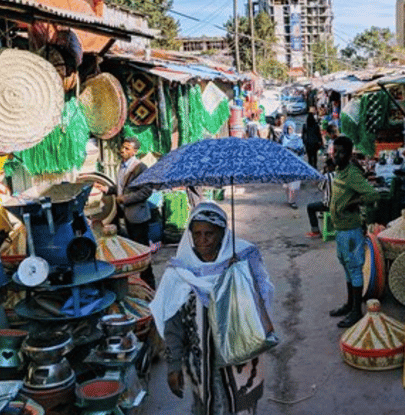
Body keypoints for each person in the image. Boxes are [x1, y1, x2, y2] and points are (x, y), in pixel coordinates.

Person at [150, 202, 274, 415]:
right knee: (207, 406)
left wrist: (239, 276)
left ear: (223, 234)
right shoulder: (179, 273)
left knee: (241, 406)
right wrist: (174, 366)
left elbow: (259, 306)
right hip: (201, 363)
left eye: (210, 233)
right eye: (197, 234)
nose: (203, 240)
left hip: (242, 358)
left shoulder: (242, 260)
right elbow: (173, 324)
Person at [329, 136, 380, 328]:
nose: (337, 156)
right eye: (335, 151)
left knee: (354, 268)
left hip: (351, 231)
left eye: (342, 152)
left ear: (349, 154)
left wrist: (353, 203)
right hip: (341, 230)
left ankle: (357, 312)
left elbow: (372, 194)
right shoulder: (339, 171)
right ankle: (350, 305)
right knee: (346, 266)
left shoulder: (351, 174)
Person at [96, 137, 156, 288]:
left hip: (138, 217)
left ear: (135, 151)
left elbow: (147, 191)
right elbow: (121, 187)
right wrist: (108, 190)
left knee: (141, 252)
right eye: (123, 147)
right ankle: (139, 283)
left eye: (127, 148)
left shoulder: (140, 168)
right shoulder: (122, 166)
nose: (123, 150)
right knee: (133, 251)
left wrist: (126, 199)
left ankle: (149, 284)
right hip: (128, 216)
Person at [305, 157, 335, 238]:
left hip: (328, 205)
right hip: (341, 204)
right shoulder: (341, 175)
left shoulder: (327, 176)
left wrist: (324, 173)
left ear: (329, 167)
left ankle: (316, 231)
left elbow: (320, 188)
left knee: (310, 207)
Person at [281, 120, 305, 209]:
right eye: (288, 129)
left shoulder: (298, 139)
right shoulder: (283, 139)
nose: (289, 130)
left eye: (291, 128)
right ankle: (289, 199)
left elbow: (302, 151)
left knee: (295, 185)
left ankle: (293, 201)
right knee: (288, 186)